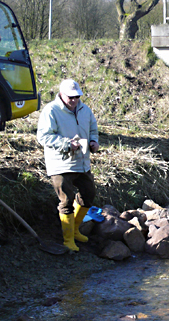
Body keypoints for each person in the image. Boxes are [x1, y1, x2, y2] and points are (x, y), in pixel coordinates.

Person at [36, 79, 100, 252]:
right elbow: (43, 137)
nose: (74, 100)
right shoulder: (51, 110)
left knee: (89, 194)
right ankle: (68, 240)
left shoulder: (85, 110)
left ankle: (76, 230)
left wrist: (94, 142)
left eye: (77, 97)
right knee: (66, 200)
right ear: (62, 95)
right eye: (71, 97)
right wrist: (66, 144)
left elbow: (93, 129)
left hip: (82, 162)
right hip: (60, 163)